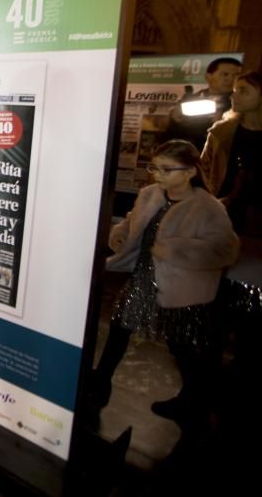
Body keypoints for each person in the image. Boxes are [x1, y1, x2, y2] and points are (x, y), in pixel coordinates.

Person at [92, 140, 239, 435]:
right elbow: (132, 224)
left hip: (180, 288)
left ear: (190, 172)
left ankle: (194, 403)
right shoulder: (150, 195)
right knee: (119, 332)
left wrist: (177, 251)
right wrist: (120, 235)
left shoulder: (207, 207)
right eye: (155, 168)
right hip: (144, 278)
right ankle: (98, 387)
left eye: (167, 169)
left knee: (180, 347)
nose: (158, 175)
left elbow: (225, 249)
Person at [199, 70, 262, 419]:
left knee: (249, 312)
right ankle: (200, 390)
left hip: (256, 237)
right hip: (222, 225)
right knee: (213, 308)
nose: (234, 95)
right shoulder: (224, 131)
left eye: (243, 91)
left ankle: (239, 394)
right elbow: (207, 169)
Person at [166, 57, 242, 149]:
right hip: (186, 153)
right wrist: (175, 120)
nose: (231, 79)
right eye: (225, 74)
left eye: (236, 75)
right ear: (208, 76)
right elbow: (171, 136)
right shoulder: (190, 99)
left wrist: (222, 127)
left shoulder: (240, 105)